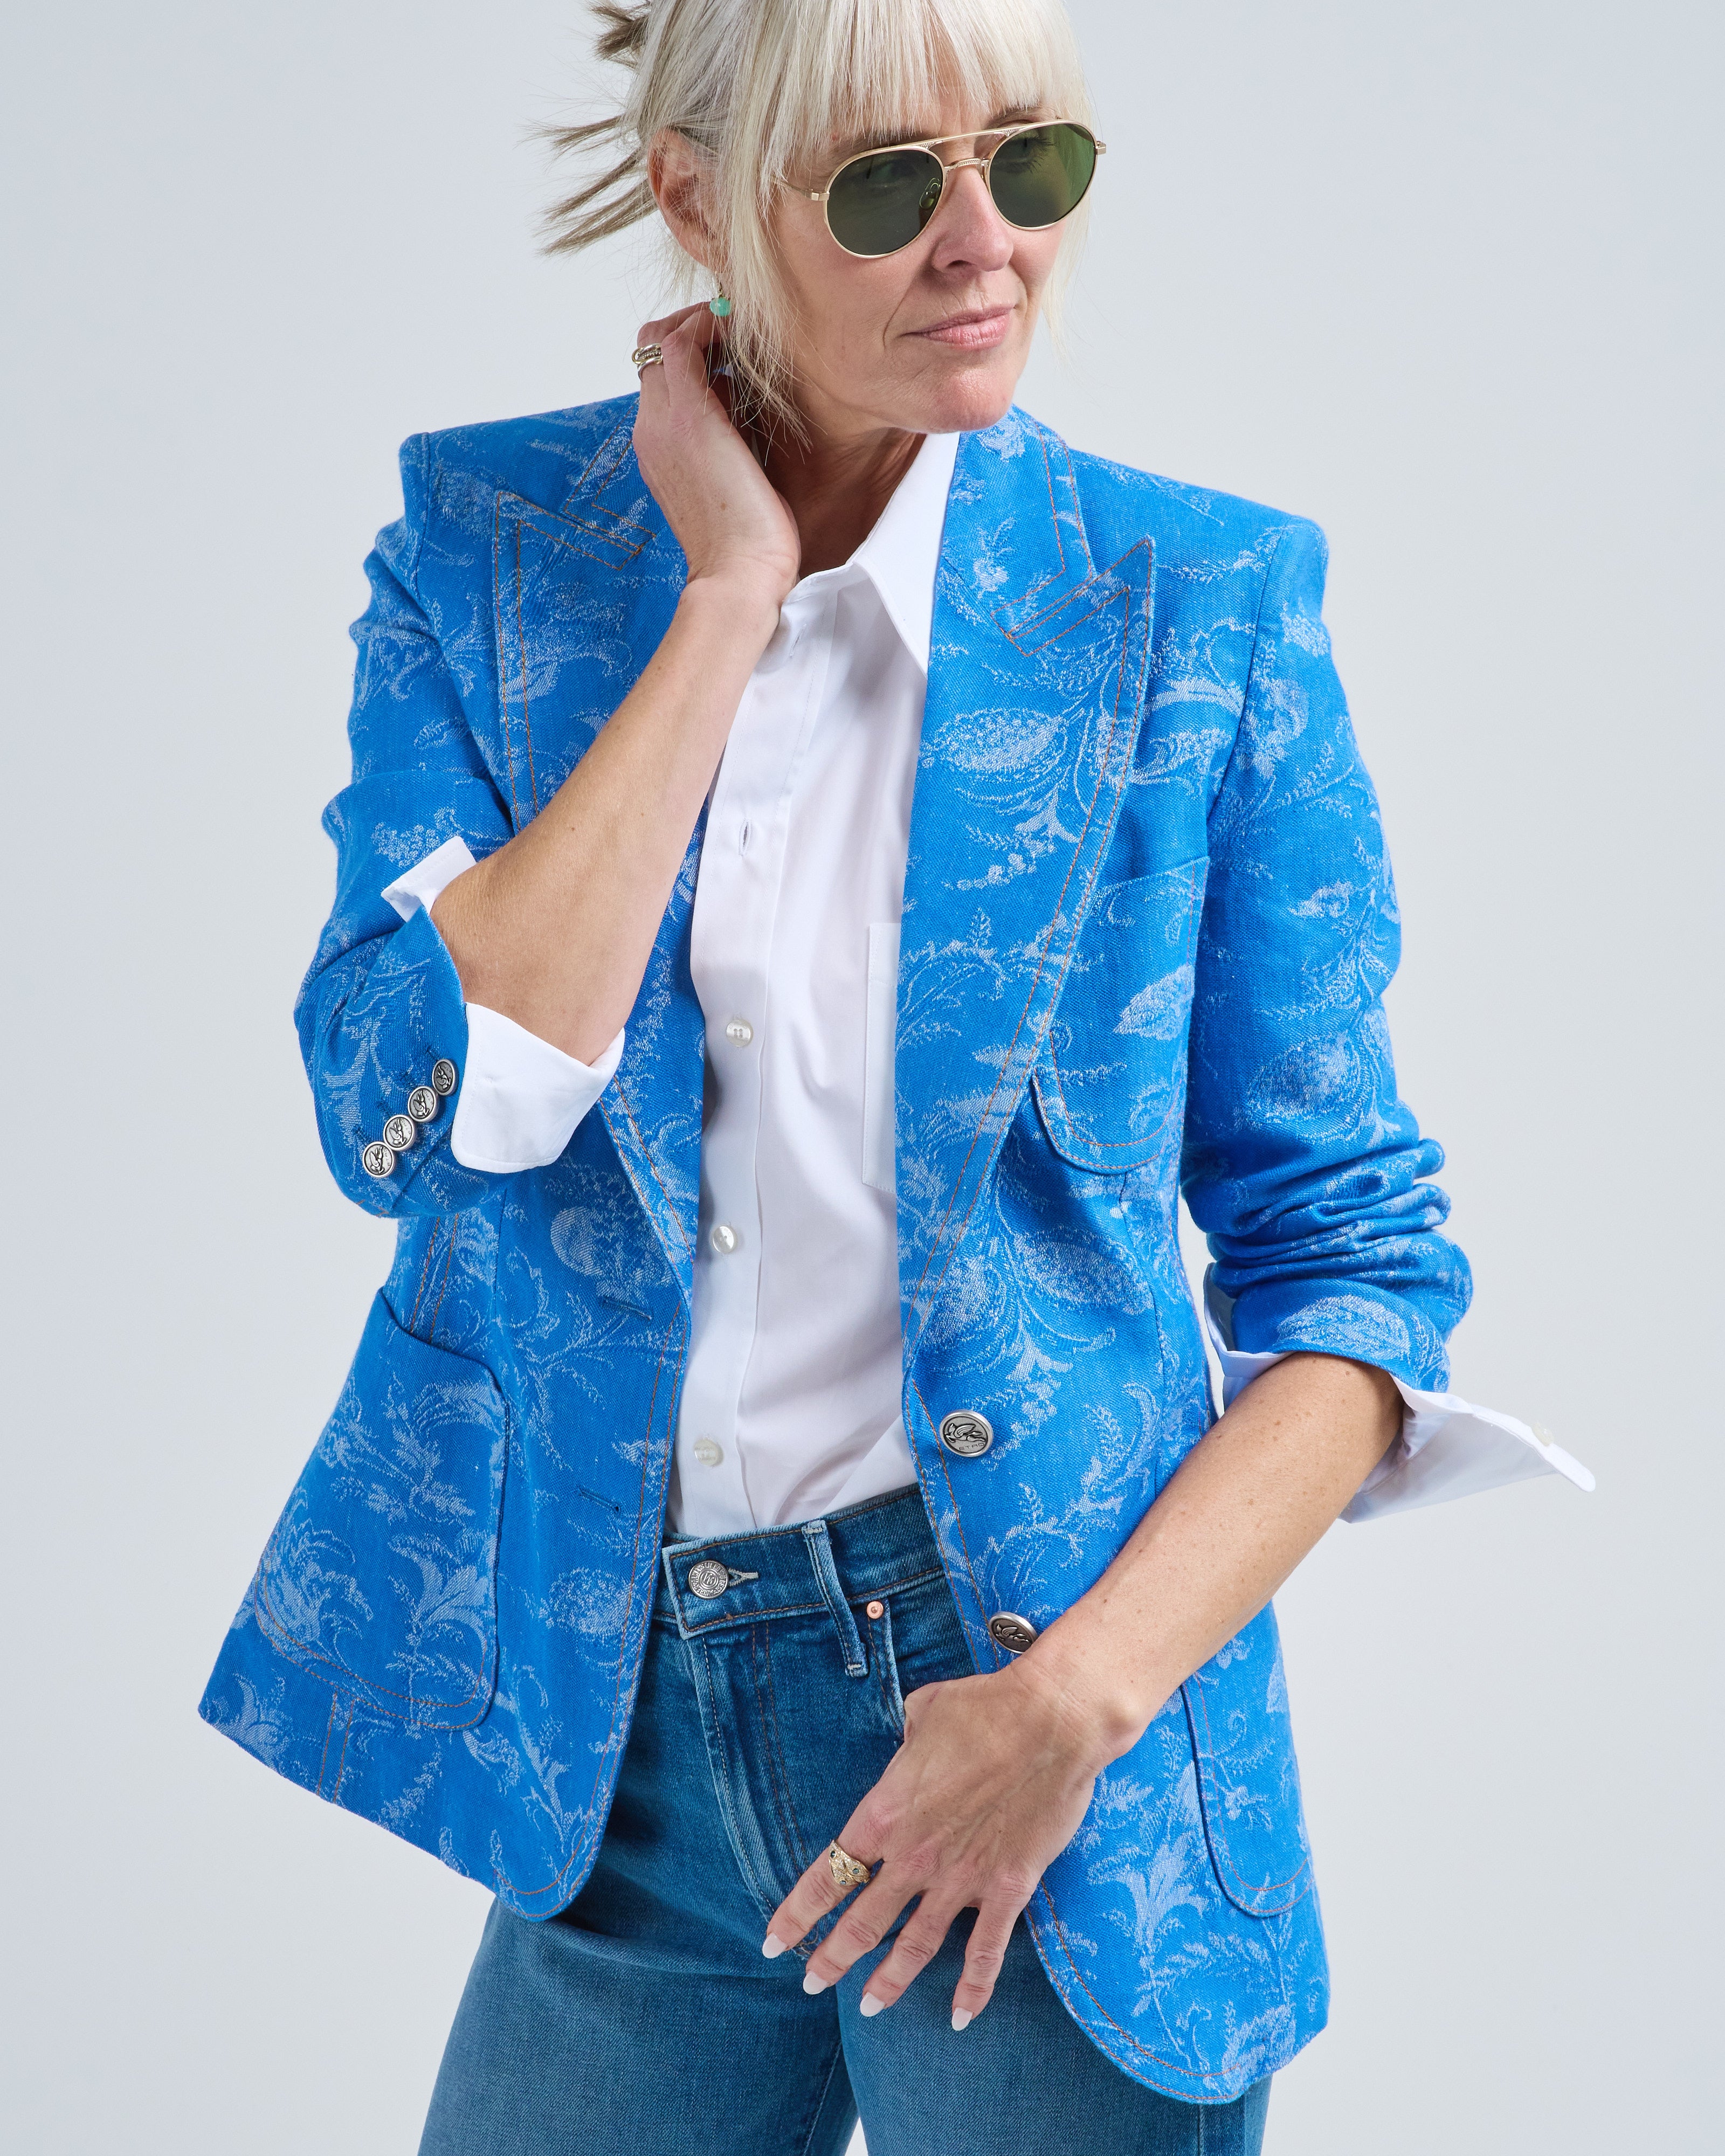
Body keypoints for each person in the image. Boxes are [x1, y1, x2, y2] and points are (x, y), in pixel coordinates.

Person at [199, 2, 1591, 2149]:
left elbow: (1351, 1268)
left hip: (1029, 1731)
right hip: (617, 1739)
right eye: (881, 185)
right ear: (695, 200)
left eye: (1030, 162)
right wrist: (727, 599)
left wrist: (1069, 1709)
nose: (982, 243)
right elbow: (426, 1105)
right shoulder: (490, 551)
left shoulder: (1194, 607)